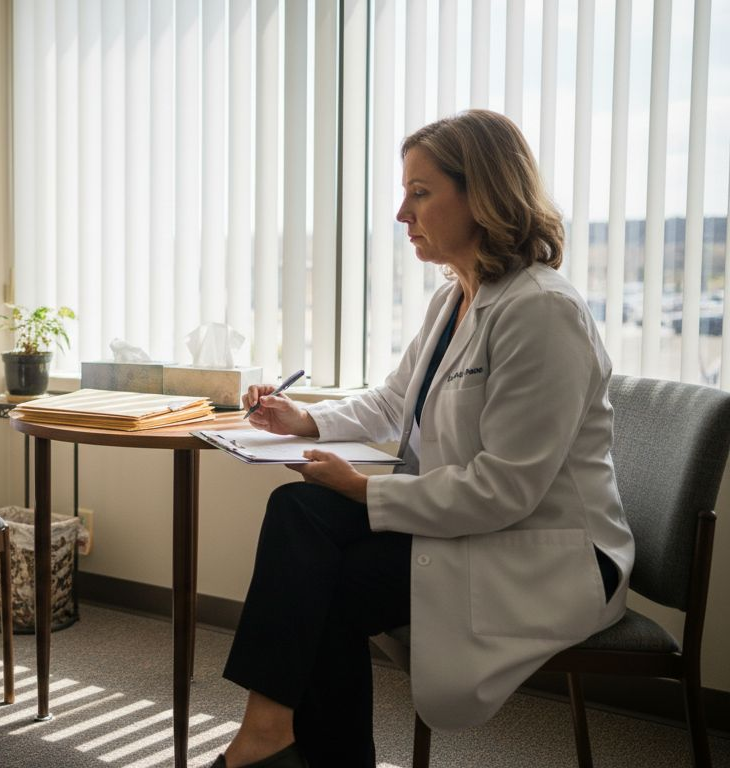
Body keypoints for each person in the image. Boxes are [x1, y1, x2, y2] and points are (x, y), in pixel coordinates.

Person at [211, 109, 634, 768]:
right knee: (298, 513)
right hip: (470, 522)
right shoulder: (456, 298)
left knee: (326, 585)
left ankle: (277, 744)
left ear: (484, 195)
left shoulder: (542, 311)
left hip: (549, 554)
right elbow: (391, 400)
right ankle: (269, 734)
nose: (402, 214)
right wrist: (306, 421)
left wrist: (364, 488)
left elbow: (507, 490)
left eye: (420, 192)